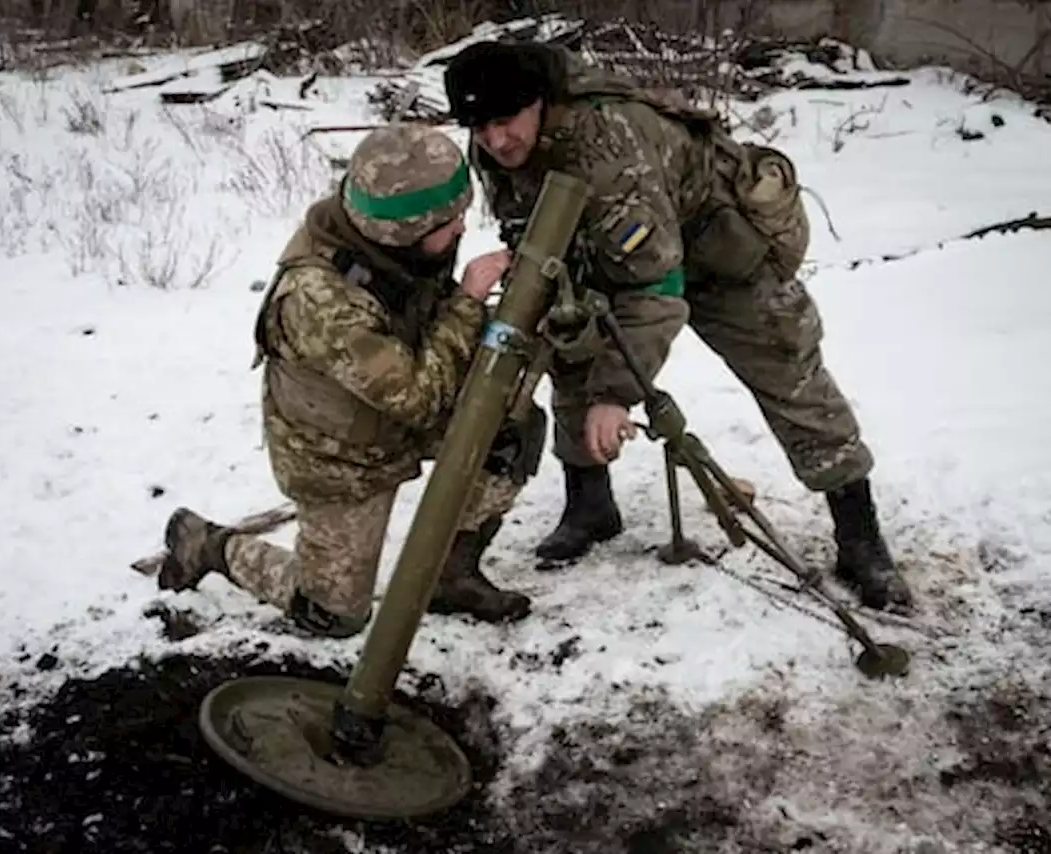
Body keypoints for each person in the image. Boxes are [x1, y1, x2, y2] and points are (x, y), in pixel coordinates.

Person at [442, 40, 913, 611]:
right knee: (569, 343)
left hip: (719, 253)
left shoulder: (608, 144)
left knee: (789, 371)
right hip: (608, 248)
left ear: (538, 101)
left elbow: (655, 287)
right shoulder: (500, 145)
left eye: (504, 121)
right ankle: (589, 505)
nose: (494, 141)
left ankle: (860, 536)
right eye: (479, 127)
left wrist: (616, 395)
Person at [154, 123, 543, 638]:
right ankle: (205, 543)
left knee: (510, 424)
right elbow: (419, 398)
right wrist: (468, 302)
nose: (461, 230)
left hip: (398, 399)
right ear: (403, 232)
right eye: (449, 222)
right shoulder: (320, 301)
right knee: (334, 614)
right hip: (341, 455)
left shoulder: (388, 241)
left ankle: (450, 575)